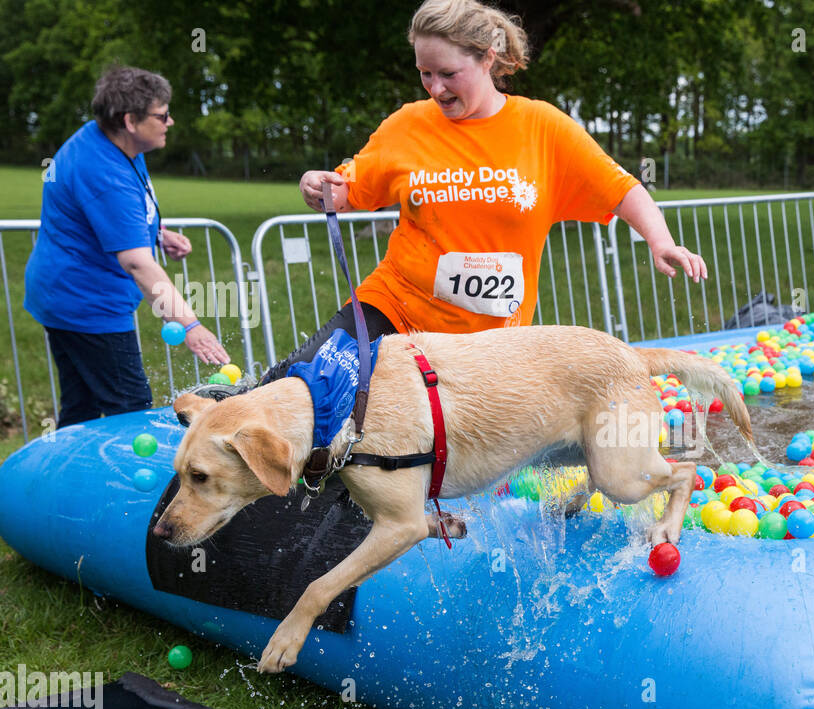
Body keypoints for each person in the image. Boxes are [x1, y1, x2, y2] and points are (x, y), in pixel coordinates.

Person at [200, 0, 705, 398]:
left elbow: (621, 189)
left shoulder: (543, 127)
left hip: (484, 344)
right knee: (304, 383)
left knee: (429, 455)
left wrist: (660, 241)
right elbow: (354, 187)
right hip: (395, 307)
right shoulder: (408, 124)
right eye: (425, 73)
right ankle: (230, 430)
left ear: (487, 59)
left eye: (448, 73)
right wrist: (324, 188)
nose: (435, 88)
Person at [24, 66, 229, 427]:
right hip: (85, 305)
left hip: (61, 294)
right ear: (130, 120)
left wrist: (155, 232)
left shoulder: (117, 142)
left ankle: (70, 479)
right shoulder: (104, 171)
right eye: (162, 115)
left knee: (81, 408)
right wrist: (190, 325)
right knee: (132, 411)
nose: (171, 121)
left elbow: (110, 215)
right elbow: (137, 263)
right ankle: (133, 483)